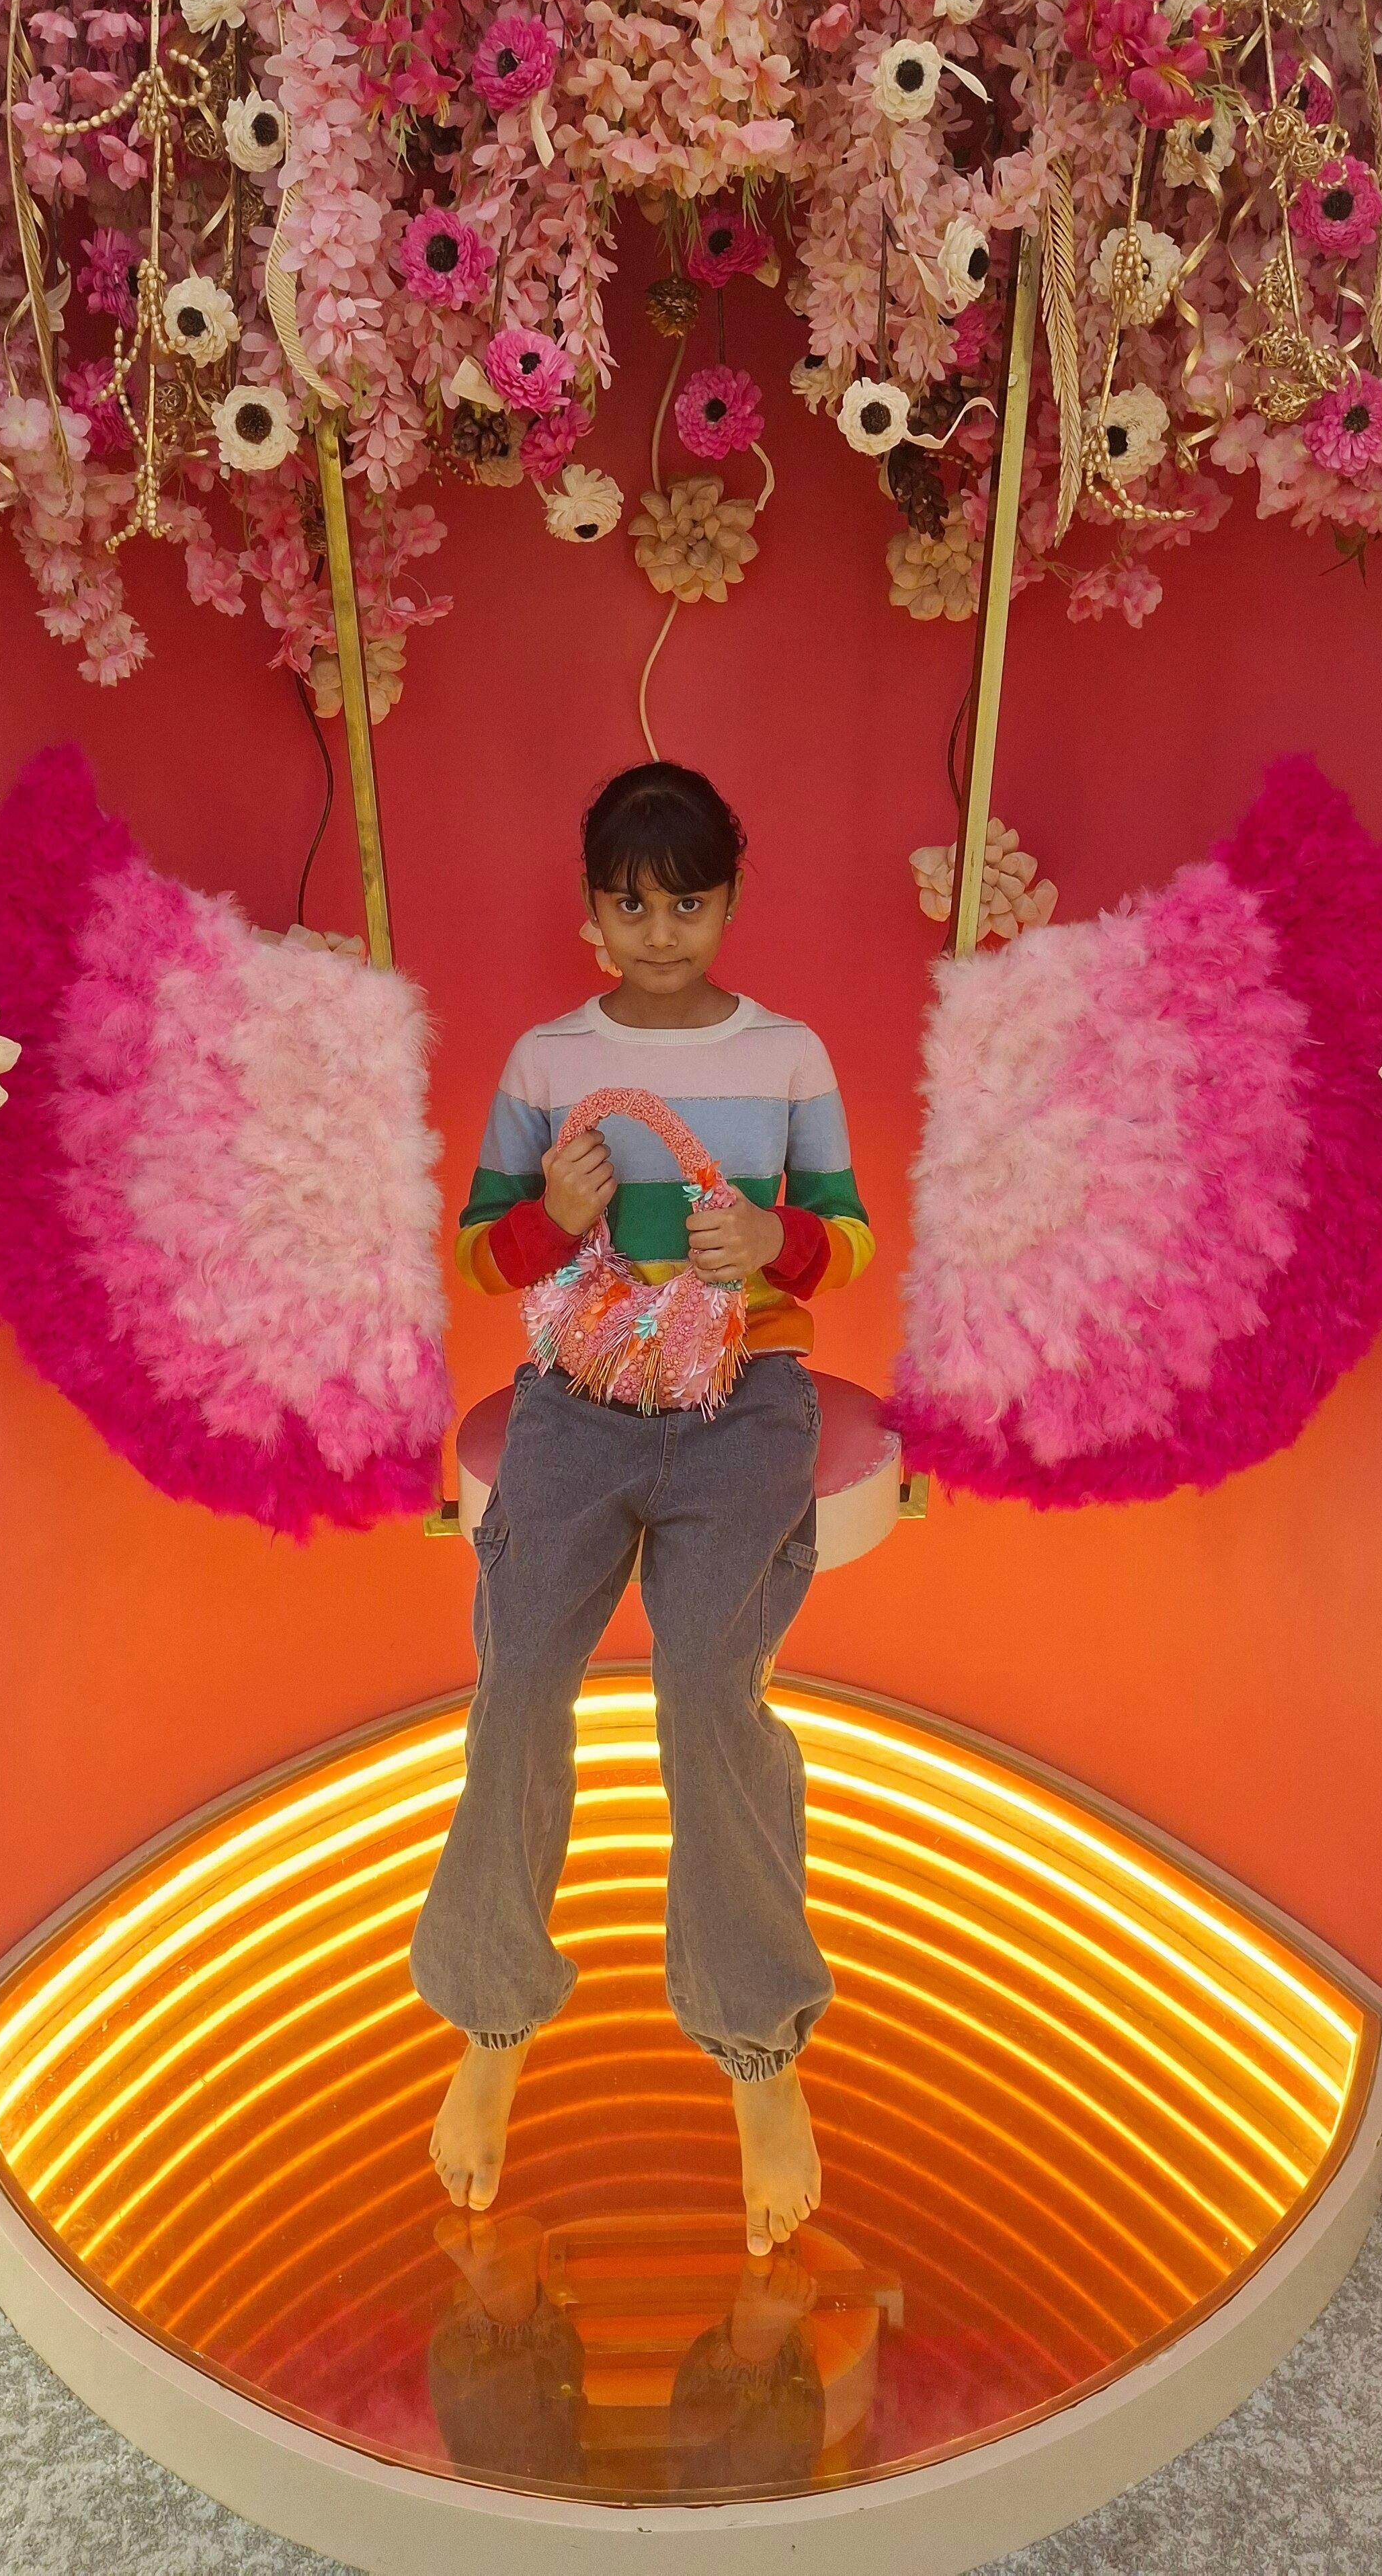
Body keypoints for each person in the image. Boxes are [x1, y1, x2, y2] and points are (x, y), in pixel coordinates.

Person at [409, 761, 875, 2257]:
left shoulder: (787, 1054)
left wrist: (775, 1240)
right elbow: (480, 1255)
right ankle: (491, 2026)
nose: (659, 931)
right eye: (630, 903)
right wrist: (554, 1211)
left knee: (705, 1696)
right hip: (581, 1399)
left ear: (730, 903)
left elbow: (850, 1240)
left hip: (747, 1399)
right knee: (517, 1691)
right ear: (591, 911)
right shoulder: (551, 1059)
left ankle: (758, 2056)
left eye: (688, 902)